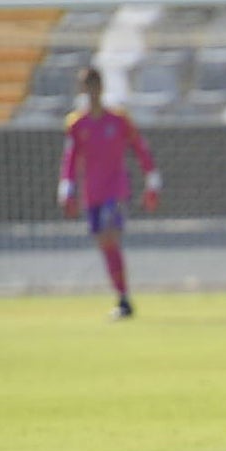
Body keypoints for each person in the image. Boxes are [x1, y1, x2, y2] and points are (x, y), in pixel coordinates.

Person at [57, 66, 161, 319]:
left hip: (116, 190)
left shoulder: (118, 119)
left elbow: (140, 147)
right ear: (83, 89)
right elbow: (70, 158)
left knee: (109, 237)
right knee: (105, 244)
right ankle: (122, 296)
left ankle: (124, 299)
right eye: (88, 87)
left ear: (101, 87)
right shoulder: (76, 123)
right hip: (92, 193)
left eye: (95, 86)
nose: (92, 92)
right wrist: (66, 188)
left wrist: (152, 181)